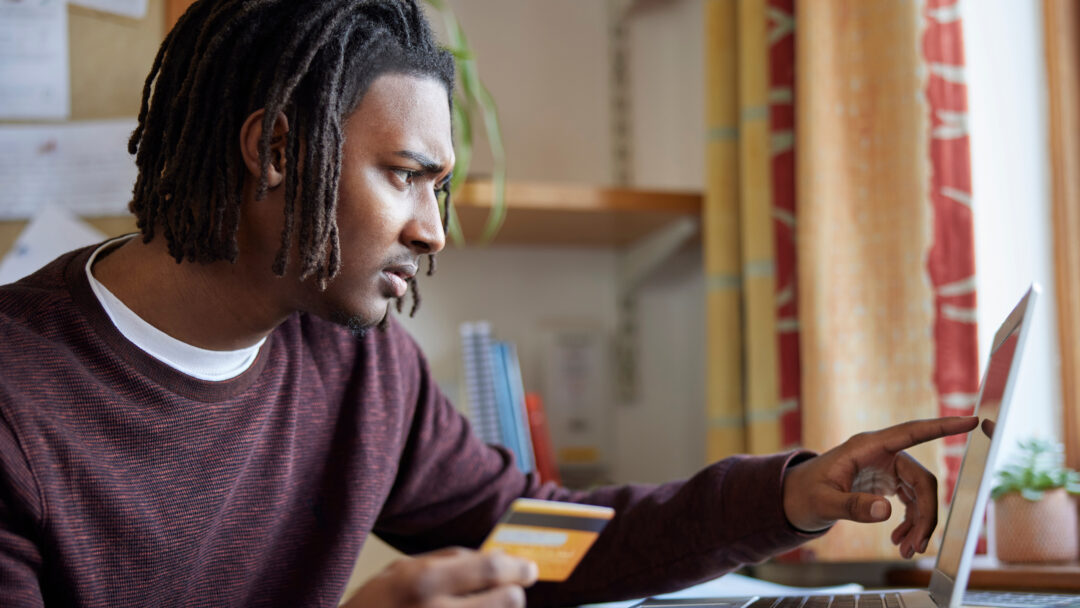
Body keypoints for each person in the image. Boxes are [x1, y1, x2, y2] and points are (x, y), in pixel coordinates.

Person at [0, 1, 979, 606]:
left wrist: (787, 493)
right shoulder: (18, 398)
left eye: (441, 188)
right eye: (406, 176)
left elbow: (530, 538)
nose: (433, 229)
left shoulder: (359, 363)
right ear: (277, 150)